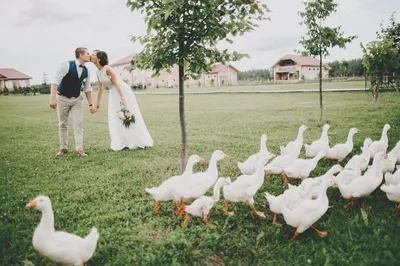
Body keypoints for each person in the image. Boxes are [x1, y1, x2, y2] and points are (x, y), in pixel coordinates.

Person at [91, 50, 153, 151]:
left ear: (98, 59)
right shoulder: (98, 72)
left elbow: (117, 84)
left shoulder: (108, 69)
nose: (90, 55)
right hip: (113, 93)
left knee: (128, 114)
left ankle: (136, 140)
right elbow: (100, 89)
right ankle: (124, 141)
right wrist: (97, 105)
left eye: (93, 54)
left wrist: (122, 99)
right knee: (117, 116)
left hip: (122, 91)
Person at [49, 47, 96, 157]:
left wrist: (90, 104)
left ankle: (79, 150)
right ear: (81, 54)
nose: (90, 55)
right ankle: (63, 148)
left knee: (78, 123)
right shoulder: (66, 65)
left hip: (77, 100)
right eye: (88, 53)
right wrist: (52, 98)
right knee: (62, 123)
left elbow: (87, 88)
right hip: (62, 98)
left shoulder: (86, 70)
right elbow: (55, 81)